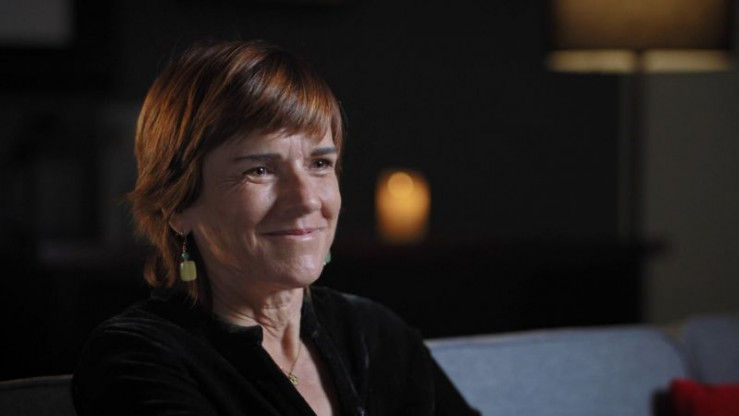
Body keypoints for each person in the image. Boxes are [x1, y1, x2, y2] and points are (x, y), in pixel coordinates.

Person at [72, 40, 480, 416]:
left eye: (320, 164)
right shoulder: (137, 356)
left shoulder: (377, 336)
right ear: (176, 204)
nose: (306, 200)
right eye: (260, 169)